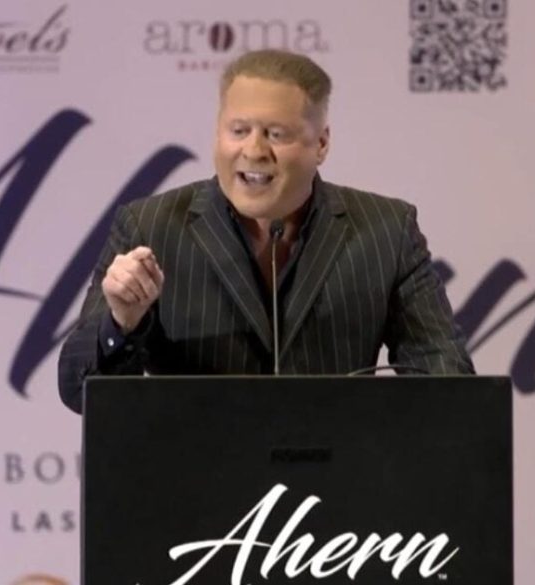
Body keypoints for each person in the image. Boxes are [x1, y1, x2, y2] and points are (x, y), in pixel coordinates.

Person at [58, 49, 474, 413]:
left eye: (276, 134)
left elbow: (447, 378)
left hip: (340, 472)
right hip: (196, 473)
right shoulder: (149, 226)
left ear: (321, 144)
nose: (255, 150)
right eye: (239, 131)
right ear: (218, 133)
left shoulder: (387, 230)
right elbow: (80, 393)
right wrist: (121, 323)